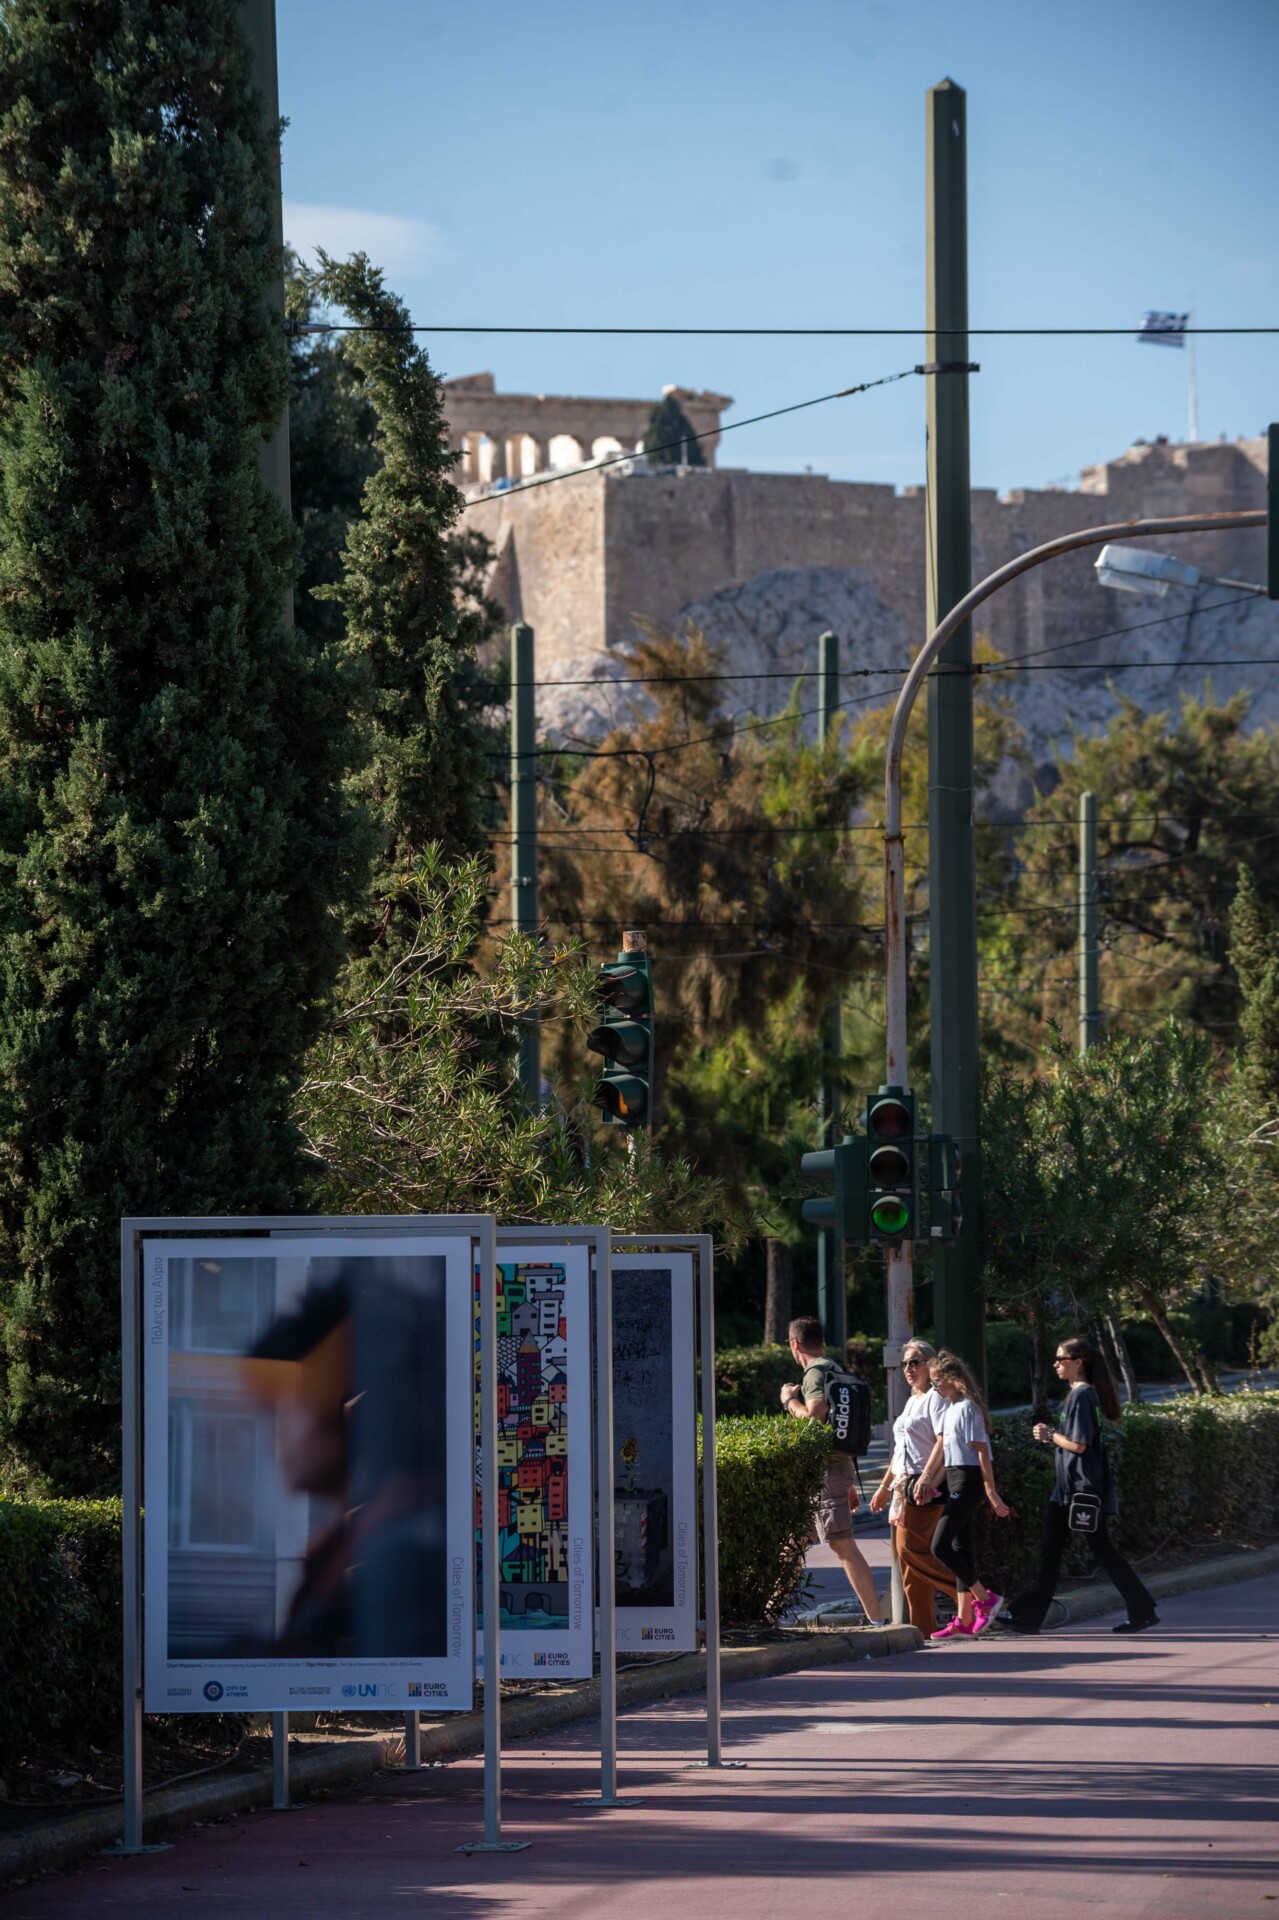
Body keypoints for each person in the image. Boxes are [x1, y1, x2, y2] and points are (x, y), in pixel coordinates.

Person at [1004, 1336, 1158, 1636]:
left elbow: (1079, 1445)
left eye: (1061, 1359)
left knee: (1098, 1551)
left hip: (1080, 1490)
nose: (1056, 1365)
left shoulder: (1082, 1395)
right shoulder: (1080, 1394)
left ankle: (1142, 1610)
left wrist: (1049, 1436)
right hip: (1068, 1490)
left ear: (1078, 1362)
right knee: (1053, 1551)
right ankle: (1028, 1616)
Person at [780, 1315, 885, 1626]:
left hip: (825, 1474)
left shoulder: (815, 1373)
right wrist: (848, 1484)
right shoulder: (835, 1368)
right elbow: (839, 1428)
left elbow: (815, 1420)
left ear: (795, 1344)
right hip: (830, 1472)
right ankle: (765, 1615)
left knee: (841, 1544)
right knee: (791, 1545)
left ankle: (878, 1622)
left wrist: (789, 1401)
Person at [914, 1349, 1010, 1639]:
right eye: (931, 1382)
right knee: (960, 1549)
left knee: (939, 1546)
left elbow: (982, 1454)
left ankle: (985, 1599)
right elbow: (946, 1451)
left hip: (968, 1481)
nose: (935, 1387)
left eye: (938, 1381)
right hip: (954, 1478)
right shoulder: (950, 1408)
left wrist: (991, 1492)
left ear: (954, 1379)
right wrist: (931, 1481)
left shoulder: (969, 1408)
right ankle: (964, 1621)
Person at [869, 1339, 959, 1637]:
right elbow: (901, 1449)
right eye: (905, 1363)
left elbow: (943, 1441)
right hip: (904, 1484)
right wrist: (884, 1486)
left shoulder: (935, 1398)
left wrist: (926, 1479)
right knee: (908, 1566)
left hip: (925, 1484)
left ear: (931, 1364)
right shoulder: (912, 1400)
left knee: (909, 1550)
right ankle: (922, 1629)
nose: (908, 1368)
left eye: (915, 1361)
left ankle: (974, 1595)